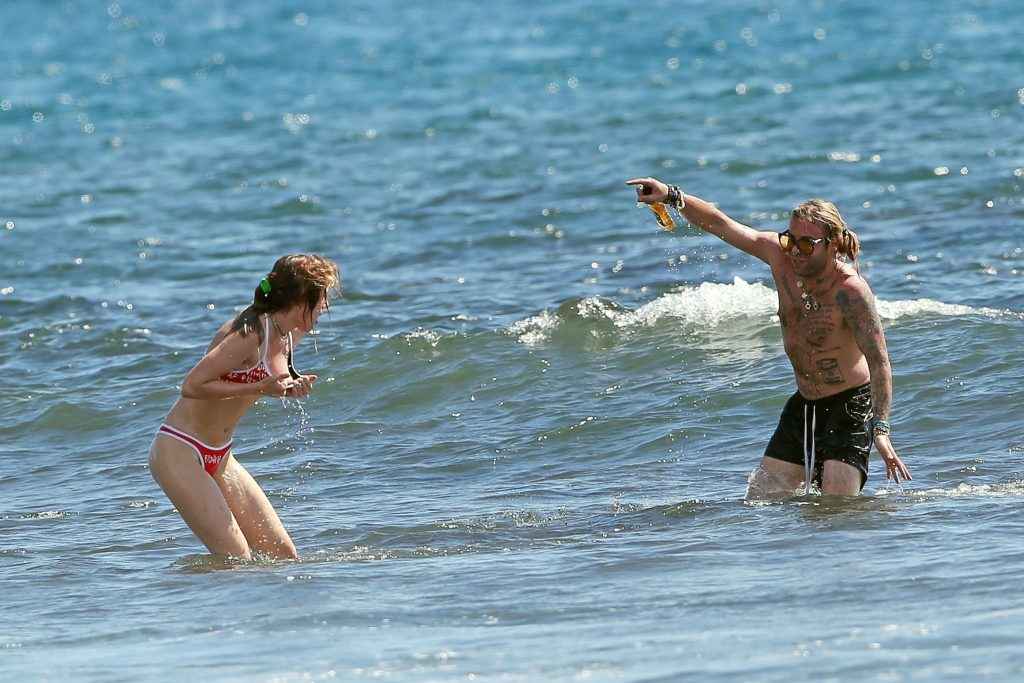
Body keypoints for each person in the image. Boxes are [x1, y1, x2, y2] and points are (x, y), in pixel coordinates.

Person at [626, 177, 911, 496]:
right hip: (805, 404)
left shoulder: (850, 291)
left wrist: (881, 429)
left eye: (807, 244)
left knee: (837, 507)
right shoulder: (780, 256)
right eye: (791, 240)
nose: (796, 251)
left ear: (831, 244)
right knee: (761, 498)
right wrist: (671, 195)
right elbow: (721, 224)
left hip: (850, 407)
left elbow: (879, 362)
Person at [148, 254, 340, 559]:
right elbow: (192, 385)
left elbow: (266, 382)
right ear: (301, 297)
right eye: (321, 299)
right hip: (180, 449)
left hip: (221, 456)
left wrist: (290, 388)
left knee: (284, 555)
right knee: (235, 557)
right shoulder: (251, 332)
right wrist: (261, 388)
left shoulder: (291, 332)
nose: (325, 307)